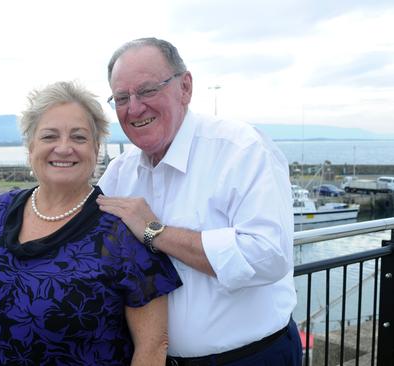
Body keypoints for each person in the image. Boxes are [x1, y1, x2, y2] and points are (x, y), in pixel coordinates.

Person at [0, 81, 182, 365]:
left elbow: (153, 348)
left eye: (79, 138)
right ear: (30, 147)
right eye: (49, 136)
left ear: (96, 149)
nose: (64, 148)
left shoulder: (120, 233)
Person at [96, 37, 302, 365]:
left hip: (251, 358)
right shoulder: (120, 174)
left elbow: (268, 255)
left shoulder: (240, 149)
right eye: (122, 97)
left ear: (186, 88)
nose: (134, 108)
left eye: (148, 90)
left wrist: (155, 232)